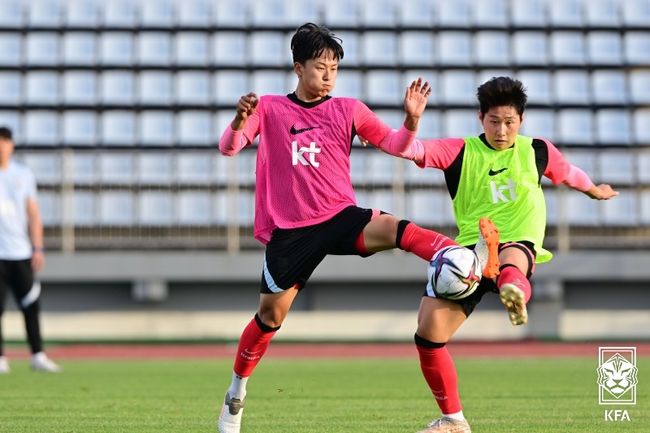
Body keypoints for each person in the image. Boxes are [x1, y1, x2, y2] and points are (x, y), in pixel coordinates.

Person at [216, 23, 500, 433]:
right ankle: (236, 392)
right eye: (320, 67)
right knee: (269, 317)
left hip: (338, 215)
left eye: (334, 67)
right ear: (298, 68)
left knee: (392, 228)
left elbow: (397, 147)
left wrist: (412, 121)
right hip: (292, 231)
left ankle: (453, 253)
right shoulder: (271, 108)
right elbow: (228, 148)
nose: (329, 75)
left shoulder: (348, 108)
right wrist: (240, 119)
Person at [386, 76, 618, 433]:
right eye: (494, 121)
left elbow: (568, 173)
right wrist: (412, 121)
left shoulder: (537, 150)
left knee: (513, 259)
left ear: (521, 120)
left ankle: (515, 293)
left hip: (517, 241)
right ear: (481, 118)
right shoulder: (460, 151)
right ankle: (454, 421)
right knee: (428, 336)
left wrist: (594, 191)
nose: (502, 130)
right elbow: (409, 150)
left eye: (509, 122)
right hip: (469, 255)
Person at [0, 126, 61, 374]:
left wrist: (38, 247)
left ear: (11, 145)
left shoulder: (22, 174)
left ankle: (37, 354)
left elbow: (33, 213)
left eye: (5, 142)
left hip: (21, 252)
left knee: (31, 304)